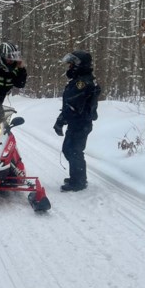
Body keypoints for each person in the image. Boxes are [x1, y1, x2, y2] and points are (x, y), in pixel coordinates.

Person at [53, 51, 100, 192]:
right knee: (70, 149)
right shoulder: (81, 79)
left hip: (81, 122)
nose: (69, 67)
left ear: (79, 65)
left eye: (72, 64)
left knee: (73, 150)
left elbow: (73, 105)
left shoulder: (82, 82)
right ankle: (77, 177)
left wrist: (61, 120)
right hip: (78, 122)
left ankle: (78, 181)